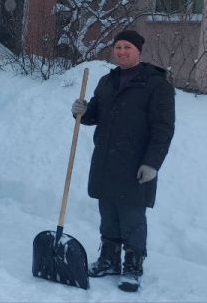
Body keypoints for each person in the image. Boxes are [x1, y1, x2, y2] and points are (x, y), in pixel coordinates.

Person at [71, 30, 175, 293]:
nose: (121, 52)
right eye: (118, 47)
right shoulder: (107, 81)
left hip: (135, 163)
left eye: (127, 47)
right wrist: (81, 112)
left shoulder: (155, 83)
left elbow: (163, 128)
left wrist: (152, 163)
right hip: (106, 159)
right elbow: (94, 114)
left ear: (138, 51)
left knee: (132, 217)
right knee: (108, 215)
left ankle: (132, 266)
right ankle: (109, 259)